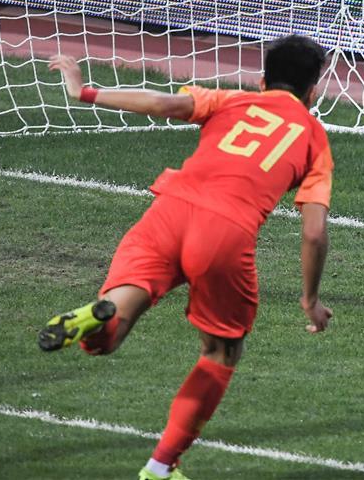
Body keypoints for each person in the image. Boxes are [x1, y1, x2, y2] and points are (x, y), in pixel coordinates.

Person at [38, 34, 335, 480]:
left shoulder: (229, 100)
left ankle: (94, 318)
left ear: (260, 82)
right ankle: (160, 467)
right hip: (224, 234)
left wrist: (86, 91)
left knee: (111, 331)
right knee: (220, 351)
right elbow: (314, 233)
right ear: (313, 93)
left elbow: (162, 104)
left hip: (168, 213)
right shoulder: (313, 136)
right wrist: (310, 300)